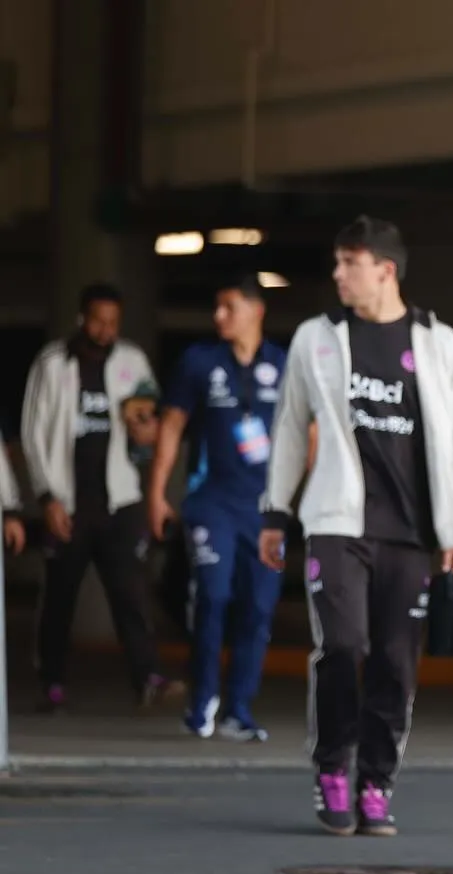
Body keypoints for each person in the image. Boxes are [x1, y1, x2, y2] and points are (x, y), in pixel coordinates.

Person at [258, 216, 453, 838]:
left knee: (396, 664)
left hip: (411, 532)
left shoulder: (439, 343)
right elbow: (288, 429)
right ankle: (333, 768)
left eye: (347, 262)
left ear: (384, 269)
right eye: (336, 262)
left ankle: (376, 782)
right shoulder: (316, 338)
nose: (336, 274)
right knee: (343, 646)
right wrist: (276, 511)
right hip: (337, 521)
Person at [21, 282, 185, 713]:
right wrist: (47, 497)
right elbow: (33, 433)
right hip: (68, 501)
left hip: (121, 499)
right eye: (97, 321)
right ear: (82, 319)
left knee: (131, 592)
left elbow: (150, 424)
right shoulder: (53, 363)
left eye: (112, 322)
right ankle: (51, 681)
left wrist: (145, 430)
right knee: (60, 597)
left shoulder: (131, 361)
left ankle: (147, 675)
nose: (105, 330)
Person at [148, 273, 294, 742]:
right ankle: (203, 699)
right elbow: (171, 427)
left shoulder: (284, 362)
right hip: (211, 503)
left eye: (229, 307)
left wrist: (296, 496)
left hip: (266, 510)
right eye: (217, 307)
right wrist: (156, 493)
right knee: (213, 596)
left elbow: (307, 435)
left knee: (259, 606)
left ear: (256, 310)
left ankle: (238, 710)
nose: (219, 316)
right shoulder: (198, 361)